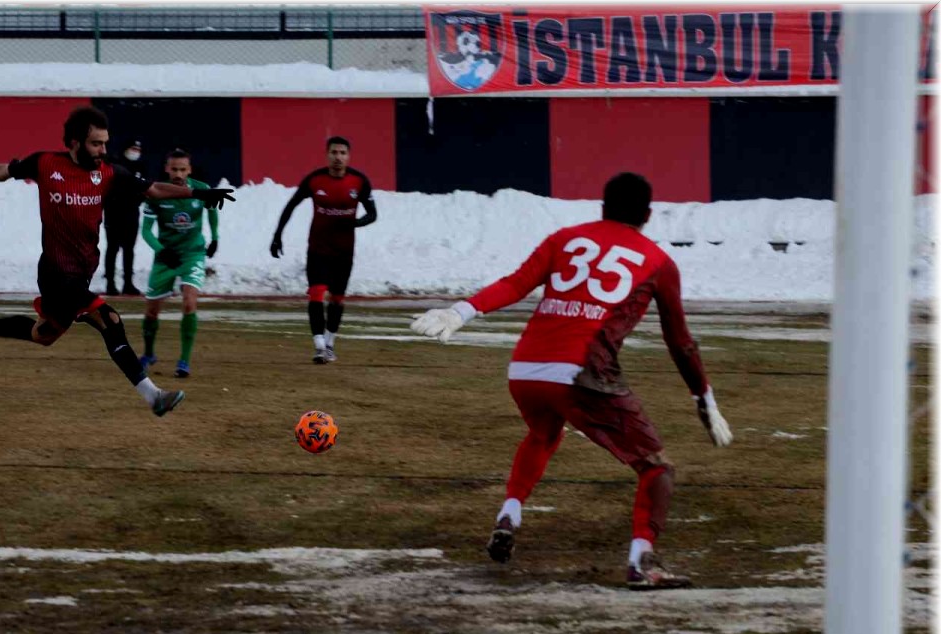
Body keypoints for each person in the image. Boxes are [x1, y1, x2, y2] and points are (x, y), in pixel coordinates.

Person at [410, 172, 734, 590]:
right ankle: (642, 563)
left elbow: (516, 283)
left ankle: (510, 512)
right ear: (649, 215)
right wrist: (703, 396)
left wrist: (460, 311)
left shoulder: (565, 238)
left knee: (543, 434)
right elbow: (681, 343)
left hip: (525, 368)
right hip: (581, 372)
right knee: (657, 470)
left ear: (602, 208)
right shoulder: (659, 262)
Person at [0, 106, 234, 417]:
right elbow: (2, 171)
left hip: (80, 276)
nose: (103, 150)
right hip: (55, 275)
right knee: (111, 321)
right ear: (75, 143)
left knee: (44, 335)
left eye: (105, 143)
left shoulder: (107, 172)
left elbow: (154, 189)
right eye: (96, 143)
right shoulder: (45, 163)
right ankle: (153, 396)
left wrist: (197, 194)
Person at [269, 136, 377, 364]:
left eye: (342, 153)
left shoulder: (359, 181)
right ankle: (319, 346)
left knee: (337, 299)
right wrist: (277, 235)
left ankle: (329, 343)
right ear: (327, 155)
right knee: (316, 293)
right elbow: (291, 205)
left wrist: (355, 223)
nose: (338, 157)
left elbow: (373, 214)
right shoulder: (314, 180)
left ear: (349, 156)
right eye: (334, 152)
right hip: (318, 249)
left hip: (344, 251)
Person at [139, 149, 220, 379]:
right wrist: (161, 251)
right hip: (166, 256)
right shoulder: (156, 193)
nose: (178, 173)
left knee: (188, 301)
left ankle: (184, 361)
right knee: (152, 310)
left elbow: (213, 210)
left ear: (190, 170)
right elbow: (145, 230)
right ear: (167, 169)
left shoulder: (201, 189)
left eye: (182, 169)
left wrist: (215, 237)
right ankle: (148, 354)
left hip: (192, 254)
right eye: (174, 169)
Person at [103, 140, 145, 296]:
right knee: (112, 248)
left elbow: (144, 188)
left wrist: (137, 199)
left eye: (138, 149)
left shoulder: (140, 167)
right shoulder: (114, 164)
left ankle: (128, 282)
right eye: (133, 148)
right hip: (113, 213)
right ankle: (110, 283)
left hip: (131, 213)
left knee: (129, 250)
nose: (135, 152)